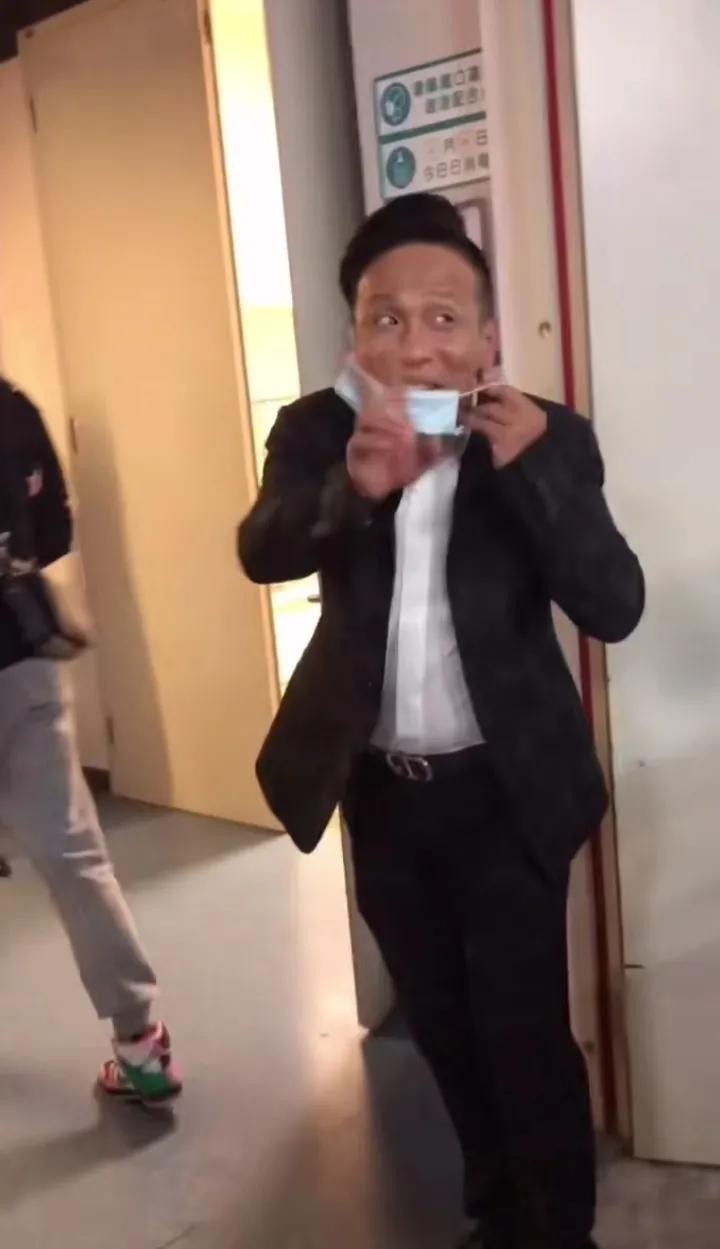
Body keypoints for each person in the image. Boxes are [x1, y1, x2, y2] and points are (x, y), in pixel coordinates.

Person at [237, 192, 644, 1249]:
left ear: (488, 337)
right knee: (445, 1031)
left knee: (524, 1035)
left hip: (505, 794)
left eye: (444, 316)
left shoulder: (548, 436)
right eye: (387, 317)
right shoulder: (316, 431)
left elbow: (614, 603)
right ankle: (497, 1215)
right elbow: (263, 548)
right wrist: (353, 487)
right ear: (355, 337)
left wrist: (536, 473)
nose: (416, 344)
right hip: (384, 798)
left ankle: (558, 1235)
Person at [0, 375, 181, 1104]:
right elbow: (55, 534)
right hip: (19, 659)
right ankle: (141, 1045)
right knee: (75, 856)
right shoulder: (10, 407)